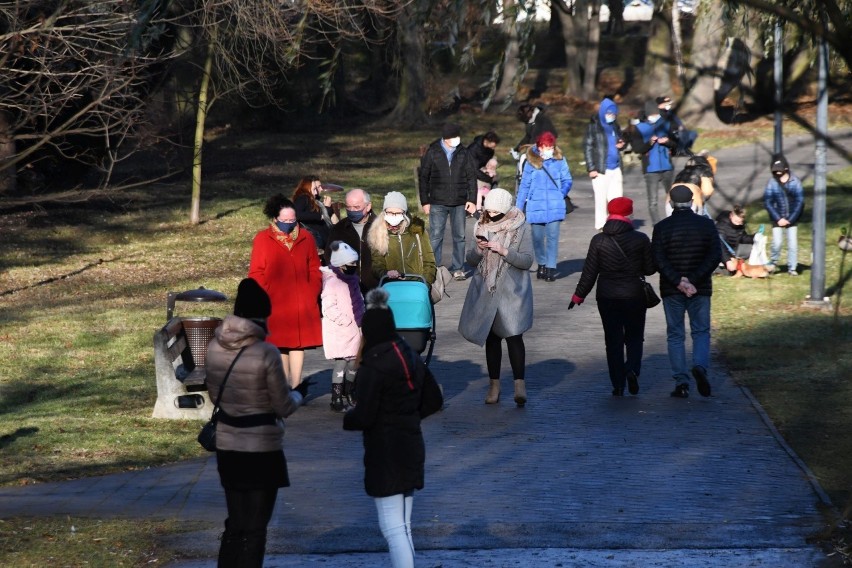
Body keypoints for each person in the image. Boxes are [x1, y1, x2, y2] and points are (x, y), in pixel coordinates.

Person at [205, 277, 303, 567]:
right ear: (262, 315)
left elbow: (215, 396)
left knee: (235, 522)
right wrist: (298, 395)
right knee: (256, 526)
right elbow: (282, 405)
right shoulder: (266, 353)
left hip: (228, 444)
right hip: (261, 448)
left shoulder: (214, 347)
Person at [343, 288, 444, 568]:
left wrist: (348, 419)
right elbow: (434, 399)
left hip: (385, 452)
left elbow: (364, 415)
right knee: (404, 527)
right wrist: (409, 415)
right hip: (411, 445)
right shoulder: (409, 355)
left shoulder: (373, 366)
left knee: (393, 528)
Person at [568, 197, 656, 396]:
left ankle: (617, 383)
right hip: (634, 294)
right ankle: (632, 369)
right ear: (629, 214)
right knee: (634, 337)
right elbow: (650, 270)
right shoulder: (640, 239)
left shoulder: (598, 240)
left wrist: (578, 296)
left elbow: (589, 272)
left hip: (607, 295)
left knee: (613, 340)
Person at [459, 188, 534, 407]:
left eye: (495, 211)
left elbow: (527, 261)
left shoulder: (520, 226)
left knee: (513, 335)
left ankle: (520, 384)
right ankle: (494, 385)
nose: (490, 215)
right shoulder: (480, 225)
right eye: (488, 210)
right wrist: (480, 250)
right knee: (491, 338)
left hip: (512, 291)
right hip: (486, 288)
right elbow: (471, 260)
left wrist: (504, 251)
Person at [248, 194, 322, 396]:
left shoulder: (306, 237)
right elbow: (256, 272)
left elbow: (314, 267)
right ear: (275, 219)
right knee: (280, 344)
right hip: (276, 302)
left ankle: (296, 386)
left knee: (299, 344)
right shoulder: (263, 239)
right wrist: (266, 294)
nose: (290, 224)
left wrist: (312, 289)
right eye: (285, 220)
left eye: (293, 220)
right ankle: (283, 387)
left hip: (301, 301)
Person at [652, 184, 722, 399]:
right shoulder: (707, 225)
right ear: (693, 201)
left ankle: (681, 382)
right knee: (700, 331)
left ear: (671, 203)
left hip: (671, 290)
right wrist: (693, 280)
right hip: (700, 288)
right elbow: (714, 256)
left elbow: (658, 259)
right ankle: (700, 366)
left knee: (675, 335)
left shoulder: (662, 227)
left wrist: (678, 281)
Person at [418, 122, 478, 281]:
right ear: (445, 138)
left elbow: (471, 177)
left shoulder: (464, 153)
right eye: (453, 137)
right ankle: (435, 268)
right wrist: (425, 201)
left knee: (459, 236)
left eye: (458, 136)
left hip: (459, 201)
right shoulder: (433, 152)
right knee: (436, 236)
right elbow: (423, 178)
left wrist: (472, 200)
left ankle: (458, 268)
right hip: (437, 201)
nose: (457, 139)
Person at [515, 131, 573, 282]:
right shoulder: (530, 163)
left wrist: (561, 193)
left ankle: (551, 267)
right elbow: (524, 186)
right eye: (547, 146)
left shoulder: (560, 160)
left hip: (555, 205)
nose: (550, 149)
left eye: (551, 146)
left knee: (553, 237)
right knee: (538, 239)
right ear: (540, 147)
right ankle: (541, 263)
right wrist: (518, 208)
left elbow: (567, 179)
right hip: (536, 206)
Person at [321, 241, 365, 412]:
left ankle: (350, 390)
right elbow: (328, 307)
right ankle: (336, 397)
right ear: (341, 264)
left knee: (355, 362)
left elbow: (359, 300)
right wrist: (344, 320)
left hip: (356, 328)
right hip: (340, 330)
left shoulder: (353, 280)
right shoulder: (332, 282)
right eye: (351, 263)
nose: (354, 266)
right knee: (341, 364)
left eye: (355, 263)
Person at [368, 191, 437, 287]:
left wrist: (425, 284)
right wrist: (386, 274)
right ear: (384, 212)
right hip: (392, 288)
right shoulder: (377, 233)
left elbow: (429, 262)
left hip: (417, 287)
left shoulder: (417, 231)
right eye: (390, 213)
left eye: (398, 213)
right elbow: (376, 266)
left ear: (404, 213)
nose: (393, 217)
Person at [324, 188, 379, 293]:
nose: (352, 211)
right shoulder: (339, 229)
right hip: (348, 289)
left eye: (357, 207)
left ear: (368, 206)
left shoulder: (380, 227)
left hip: (377, 289)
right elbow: (329, 257)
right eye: (348, 207)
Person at [583, 97, 626, 231]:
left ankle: (617, 222)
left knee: (617, 198)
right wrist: (591, 167)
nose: (611, 116)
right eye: (609, 113)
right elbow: (588, 147)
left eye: (613, 114)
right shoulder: (594, 127)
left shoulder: (614, 125)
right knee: (601, 199)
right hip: (601, 169)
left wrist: (621, 144)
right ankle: (601, 224)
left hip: (616, 167)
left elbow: (620, 139)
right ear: (602, 112)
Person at [632, 100, 675, 224]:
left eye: (657, 114)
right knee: (653, 201)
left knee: (672, 197)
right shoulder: (639, 128)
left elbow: (675, 144)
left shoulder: (665, 125)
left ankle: (674, 220)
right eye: (653, 115)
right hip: (651, 169)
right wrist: (650, 142)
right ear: (648, 115)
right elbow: (637, 148)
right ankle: (656, 224)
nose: (655, 117)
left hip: (667, 167)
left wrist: (667, 142)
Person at [763, 154, 804, 276]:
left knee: (792, 244)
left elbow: (799, 202)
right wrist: (778, 218)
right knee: (777, 242)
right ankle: (773, 263)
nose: (777, 174)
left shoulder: (795, 182)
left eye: (779, 171)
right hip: (777, 219)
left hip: (792, 219)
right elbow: (768, 202)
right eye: (775, 172)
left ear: (786, 168)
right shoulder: (772, 183)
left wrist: (790, 219)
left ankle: (792, 268)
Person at [292, 176, 336, 252]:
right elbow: (296, 214)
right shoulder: (303, 198)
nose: (316, 192)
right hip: (317, 238)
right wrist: (320, 216)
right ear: (307, 188)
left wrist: (326, 208)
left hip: (324, 238)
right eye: (314, 189)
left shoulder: (312, 199)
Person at [715, 205, 755, 275]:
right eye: (736, 221)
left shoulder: (740, 225)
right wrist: (727, 260)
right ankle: (719, 267)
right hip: (720, 252)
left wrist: (754, 237)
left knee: (751, 249)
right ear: (731, 216)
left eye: (740, 222)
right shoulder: (722, 226)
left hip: (733, 250)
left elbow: (742, 237)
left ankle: (734, 266)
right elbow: (719, 245)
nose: (738, 224)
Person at [468, 131, 501, 211]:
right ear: (486, 141)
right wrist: (487, 178)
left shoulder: (490, 150)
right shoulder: (473, 149)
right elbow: (473, 169)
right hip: (470, 171)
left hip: (482, 170)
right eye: (493, 145)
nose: (494, 148)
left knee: (496, 178)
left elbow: (488, 162)